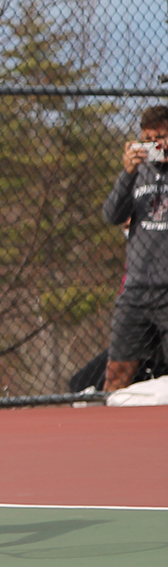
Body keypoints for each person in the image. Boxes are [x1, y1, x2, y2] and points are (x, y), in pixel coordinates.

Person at [101, 105, 168, 391]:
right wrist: (128, 172)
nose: (155, 145)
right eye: (148, 138)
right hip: (137, 291)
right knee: (117, 373)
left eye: (162, 138)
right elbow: (112, 215)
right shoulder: (137, 173)